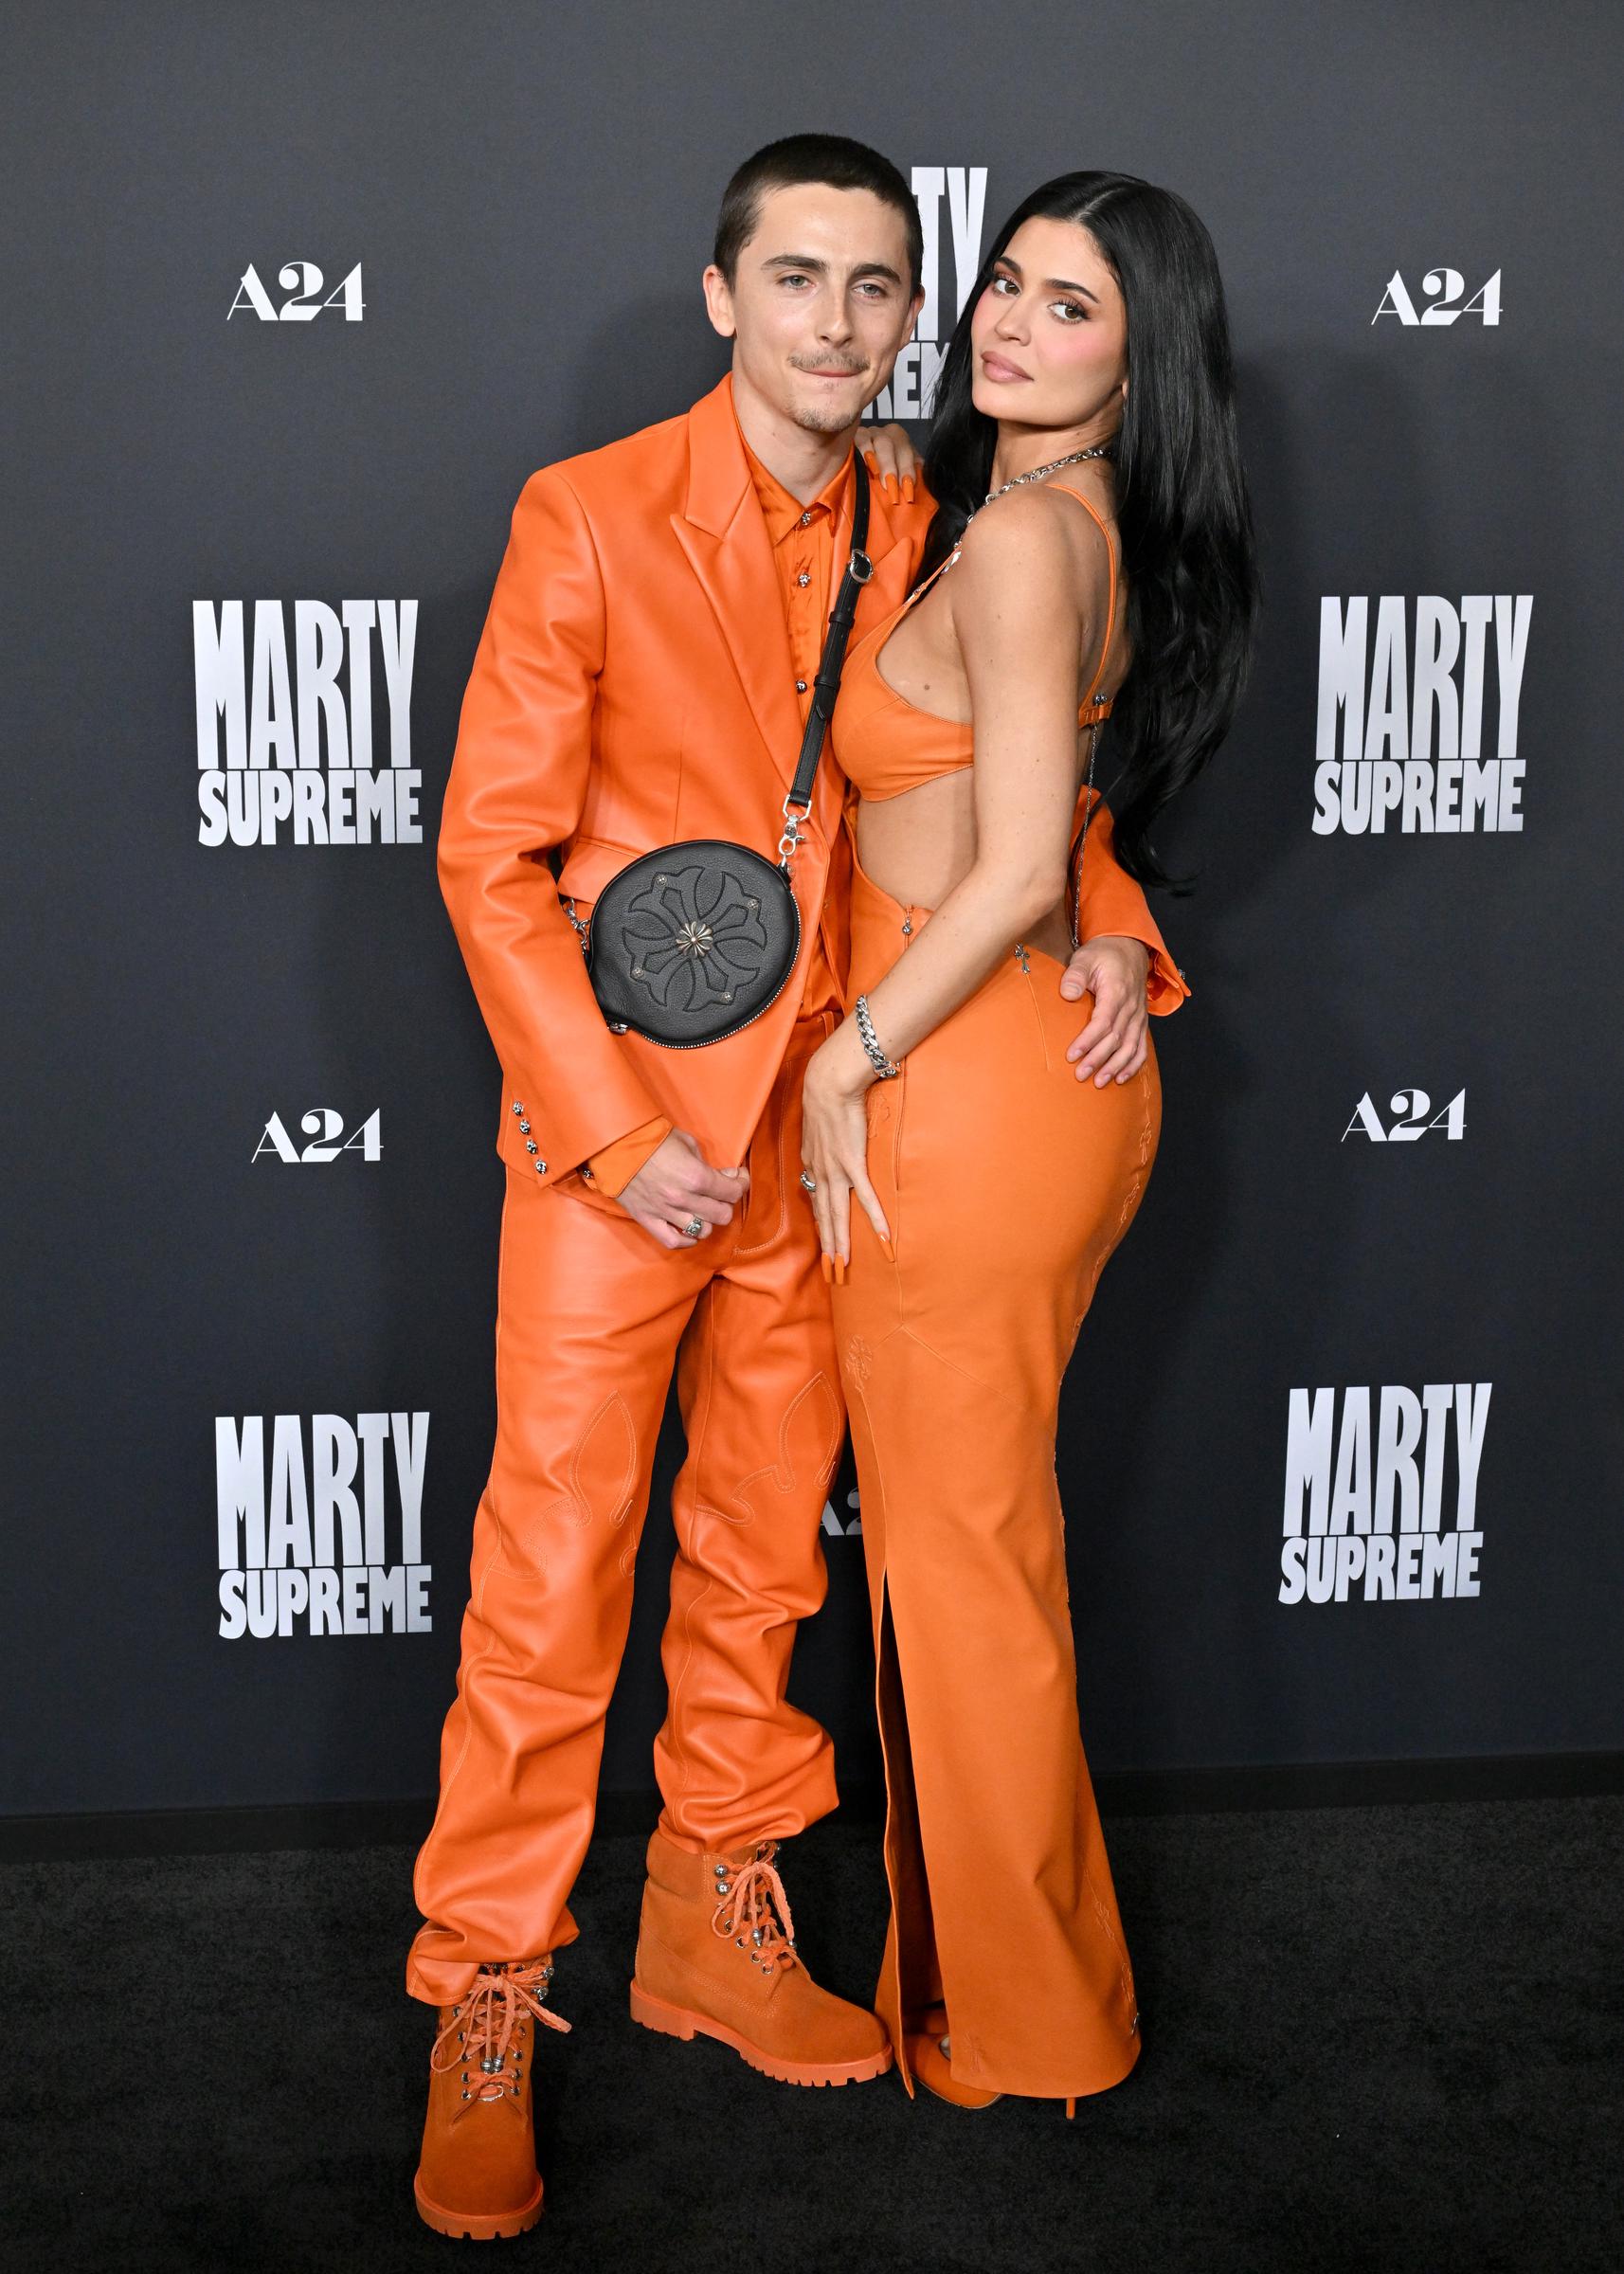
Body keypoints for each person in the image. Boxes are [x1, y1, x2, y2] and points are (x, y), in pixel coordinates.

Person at [411, 138, 1183, 2238]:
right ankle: (485, 1989)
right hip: (617, 1152)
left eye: (876, 286)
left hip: (829, 1146)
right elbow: (488, 859)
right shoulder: (582, 519)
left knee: (762, 1559)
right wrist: (619, 1137)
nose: (841, 321)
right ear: (719, 294)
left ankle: (708, 1918)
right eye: (799, 278)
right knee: (551, 1573)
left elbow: (1015, 788)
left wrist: (1106, 923)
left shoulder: (933, 515)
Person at [802, 170, 1256, 2112]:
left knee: (963, 1574)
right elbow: (1056, 831)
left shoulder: (1018, 548)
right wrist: (1109, 942)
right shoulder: (1046, 523)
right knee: (973, 1559)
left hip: (954, 1078)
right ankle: (1005, 1992)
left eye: (1068, 307)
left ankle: (1035, 2023)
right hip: (1020, 1073)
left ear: (1137, 362)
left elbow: (995, 871)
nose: (1006, 320)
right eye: (1002, 281)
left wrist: (849, 1057)